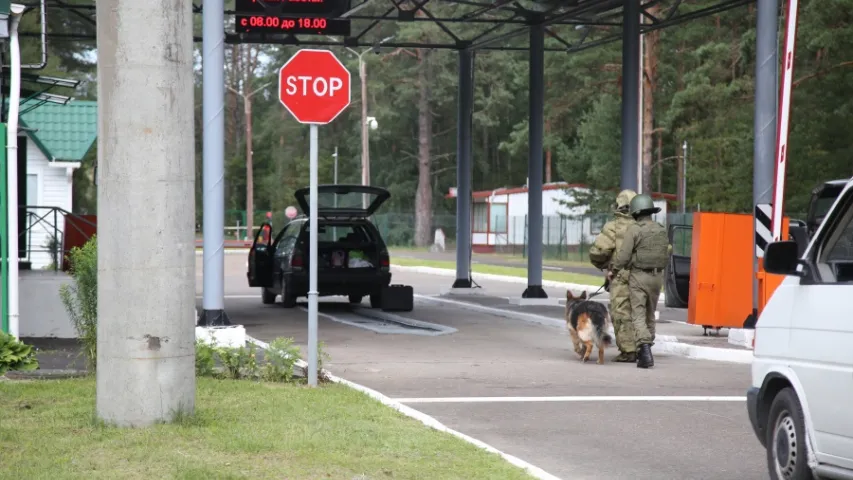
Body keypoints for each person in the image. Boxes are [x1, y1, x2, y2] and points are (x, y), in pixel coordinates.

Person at [611, 194, 671, 369]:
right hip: (657, 277)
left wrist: (614, 270)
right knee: (650, 314)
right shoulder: (660, 229)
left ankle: (644, 351)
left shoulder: (634, 230)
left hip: (639, 276)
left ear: (636, 212)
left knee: (637, 315)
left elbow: (623, 257)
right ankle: (648, 347)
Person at [588, 189, 638, 362]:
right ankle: (644, 347)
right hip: (646, 277)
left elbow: (598, 251)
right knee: (642, 312)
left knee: (621, 312)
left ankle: (629, 351)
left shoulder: (614, 227)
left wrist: (604, 265)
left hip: (621, 275)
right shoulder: (647, 225)